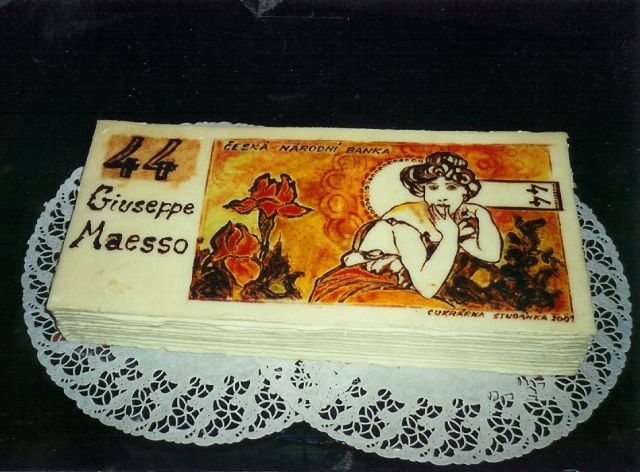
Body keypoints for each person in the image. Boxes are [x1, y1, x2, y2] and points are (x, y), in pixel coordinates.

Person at [309, 152, 502, 305]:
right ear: (423, 191)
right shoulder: (406, 221)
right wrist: (450, 235)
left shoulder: (449, 220)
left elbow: (491, 254)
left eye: (451, 187)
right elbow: (427, 288)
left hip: (401, 291)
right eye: (433, 188)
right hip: (359, 290)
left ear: (465, 192)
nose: (442, 196)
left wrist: (482, 214)